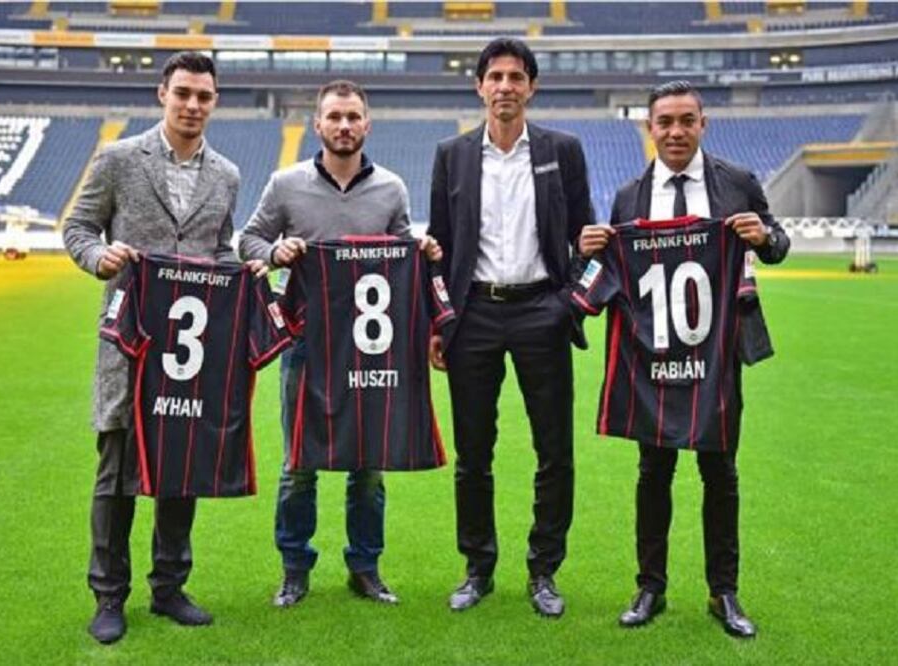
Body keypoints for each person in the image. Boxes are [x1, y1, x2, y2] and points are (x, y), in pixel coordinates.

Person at [578, 80, 790, 638]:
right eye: (665, 121)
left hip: (717, 357)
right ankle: (650, 587)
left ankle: (724, 592)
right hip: (652, 360)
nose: (675, 131)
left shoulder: (738, 183)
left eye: (686, 120)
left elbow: (779, 242)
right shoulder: (629, 196)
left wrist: (764, 235)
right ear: (651, 128)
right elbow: (615, 268)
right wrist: (591, 252)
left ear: (703, 124)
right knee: (654, 472)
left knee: (720, 473)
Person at [64, 51, 262, 644]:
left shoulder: (226, 174)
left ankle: (169, 587)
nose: (193, 105)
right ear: (162, 95)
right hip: (131, 344)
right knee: (117, 469)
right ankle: (109, 595)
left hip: (191, 353)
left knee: (181, 467)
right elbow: (78, 228)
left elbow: (221, 248)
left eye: (204, 96)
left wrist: (242, 272)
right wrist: (101, 258)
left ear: (215, 101)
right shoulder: (120, 159)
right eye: (183, 94)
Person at [238, 79, 441, 608]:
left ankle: (365, 566)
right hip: (306, 343)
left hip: (371, 347)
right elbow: (247, 241)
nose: (344, 125)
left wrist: (420, 246)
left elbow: (400, 253)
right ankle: (294, 567)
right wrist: (277, 251)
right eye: (335, 117)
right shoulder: (286, 184)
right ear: (318, 123)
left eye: (353, 116)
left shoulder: (392, 188)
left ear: (367, 124)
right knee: (298, 462)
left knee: (368, 463)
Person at [428, 37, 594, 618]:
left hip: (540, 311)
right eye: (494, 76)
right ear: (479, 87)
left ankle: (544, 569)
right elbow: (442, 247)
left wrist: (568, 303)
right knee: (474, 452)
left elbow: (585, 238)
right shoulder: (452, 154)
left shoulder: (562, 151)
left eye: (515, 77)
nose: (505, 86)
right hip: (473, 316)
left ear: (531, 87)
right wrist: (440, 321)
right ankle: (478, 567)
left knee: (555, 450)